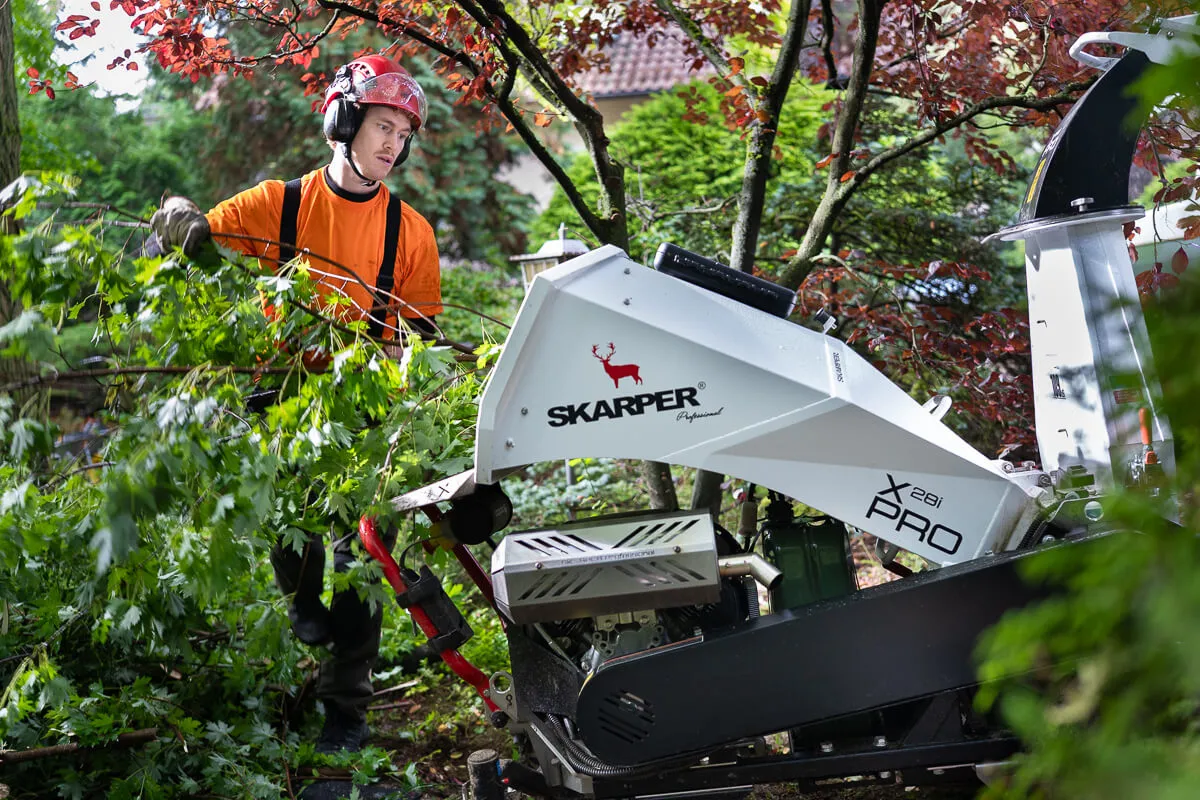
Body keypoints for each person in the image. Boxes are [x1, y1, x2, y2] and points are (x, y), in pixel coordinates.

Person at [150, 55, 442, 753]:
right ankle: (300, 594)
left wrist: (402, 413)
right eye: (381, 125)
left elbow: (418, 340)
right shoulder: (277, 205)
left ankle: (348, 709)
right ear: (343, 121)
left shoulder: (413, 233)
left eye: (403, 133)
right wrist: (176, 218)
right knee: (294, 528)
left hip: (365, 400)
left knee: (365, 557)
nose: (392, 144)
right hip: (277, 392)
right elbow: (193, 239)